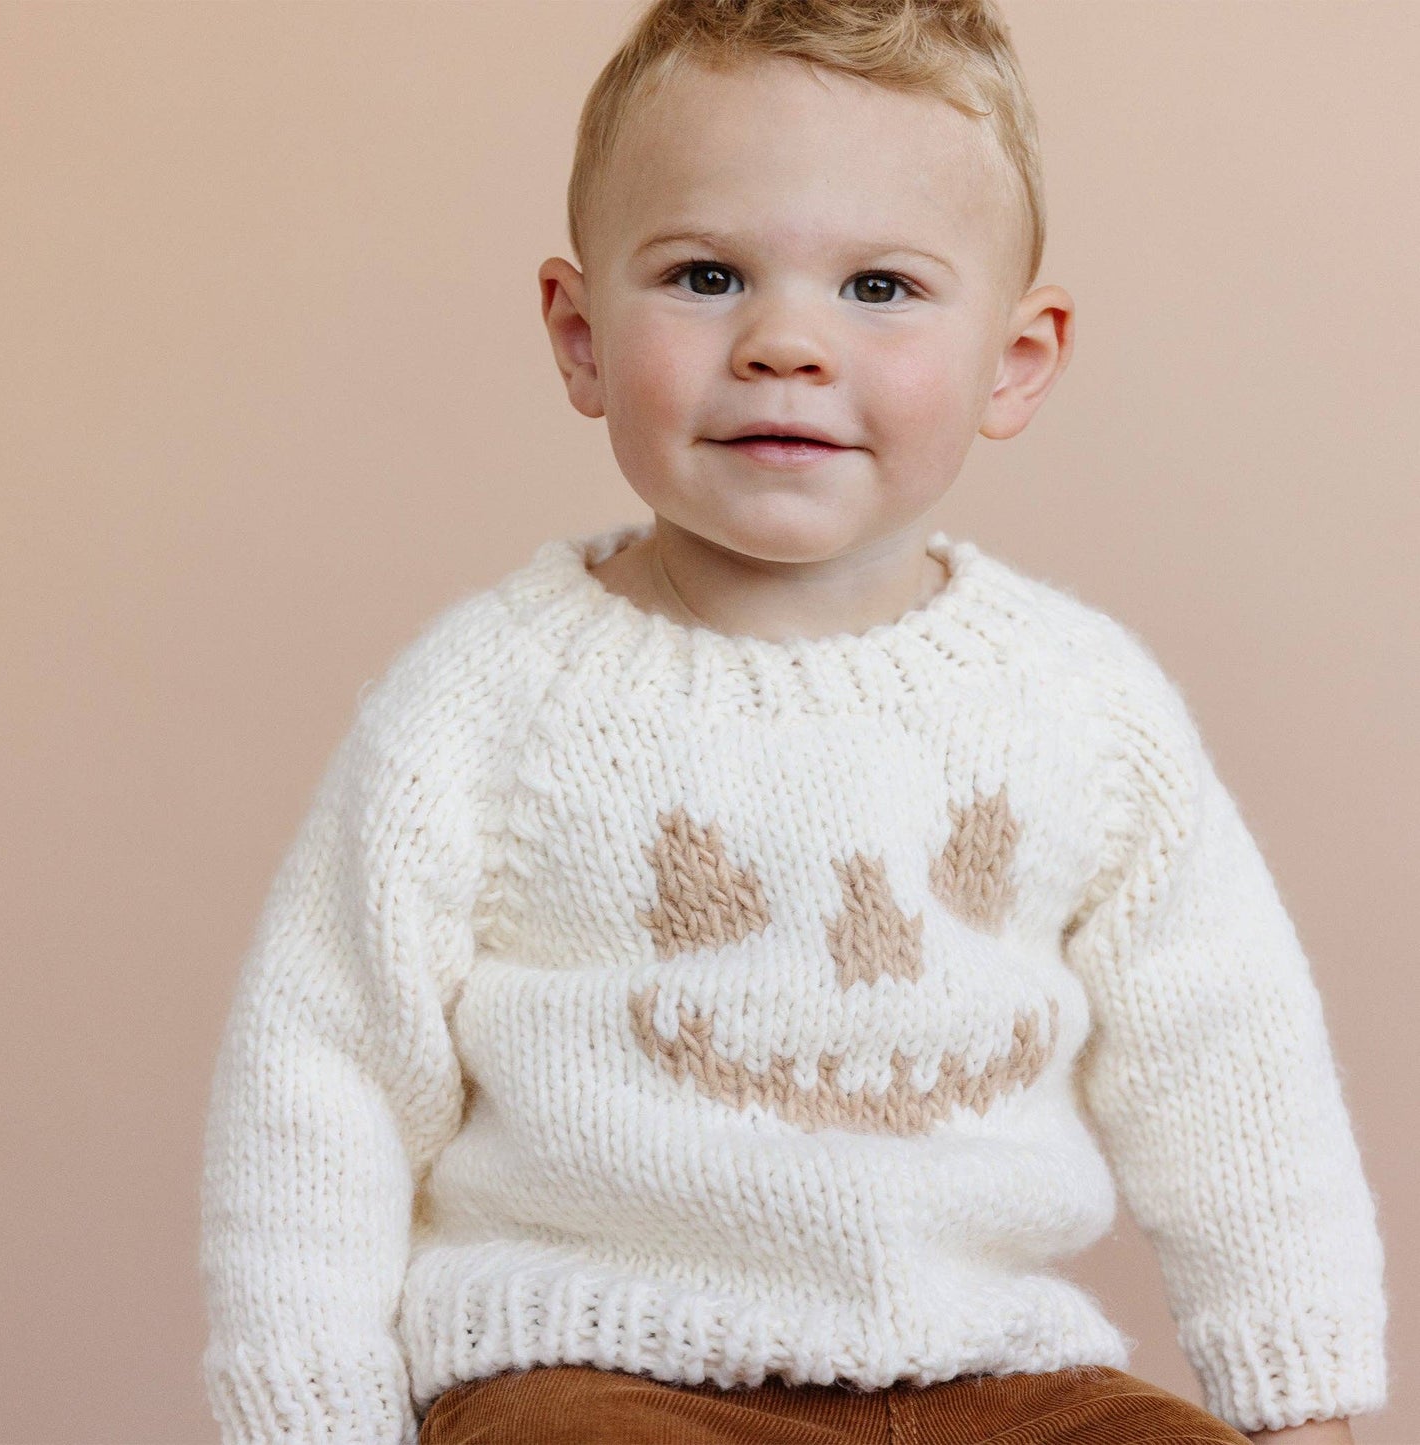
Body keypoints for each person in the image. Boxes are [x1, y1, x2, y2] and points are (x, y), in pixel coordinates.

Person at [197, 2, 1389, 1442]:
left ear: (1013, 359)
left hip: (991, 1379)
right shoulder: (489, 703)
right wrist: (313, 1413)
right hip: (597, 1376)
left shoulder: (1079, 701)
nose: (783, 343)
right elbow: (324, 1067)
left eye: (879, 287)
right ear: (581, 338)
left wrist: (1302, 1399)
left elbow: (1226, 1056)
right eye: (707, 275)